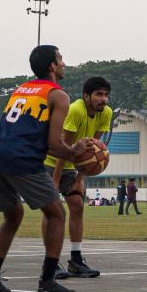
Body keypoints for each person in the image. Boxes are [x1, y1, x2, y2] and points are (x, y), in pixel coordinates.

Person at [0, 44, 87, 292]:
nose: (63, 63)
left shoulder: (21, 90)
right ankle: (48, 282)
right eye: (60, 59)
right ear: (52, 65)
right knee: (57, 213)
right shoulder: (58, 96)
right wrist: (76, 152)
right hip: (22, 158)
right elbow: (54, 145)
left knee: (13, 215)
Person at [51, 76, 112, 279]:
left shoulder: (106, 113)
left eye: (105, 95)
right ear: (86, 96)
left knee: (77, 205)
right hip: (51, 161)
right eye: (98, 94)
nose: (103, 99)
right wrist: (55, 182)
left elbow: (91, 151)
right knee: (53, 211)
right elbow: (63, 149)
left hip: (71, 163)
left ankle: (76, 261)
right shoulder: (76, 110)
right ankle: (50, 263)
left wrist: (79, 180)